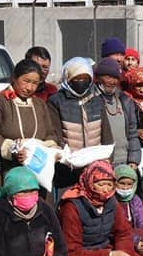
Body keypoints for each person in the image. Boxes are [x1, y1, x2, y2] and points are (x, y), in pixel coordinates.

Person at [58, 161, 133, 256]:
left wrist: (123, 253)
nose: (106, 190)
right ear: (90, 183)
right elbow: (71, 254)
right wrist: (109, 255)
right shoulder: (72, 207)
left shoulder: (111, 202)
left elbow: (123, 232)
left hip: (103, 250)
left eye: (109, 184)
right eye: (101, 184)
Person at [0, 59, 61, 186]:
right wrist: (12, 149)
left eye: (35, 83)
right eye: (26, 81)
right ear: (14, 78)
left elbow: (51, 133)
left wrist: (49, 150)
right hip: (7, 170)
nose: (29, 88)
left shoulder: (40, 104)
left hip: (38, 172)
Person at [47, 57, 110, 189]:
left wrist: (107, 158)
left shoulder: (96, 101)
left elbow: (106, 133)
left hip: (95, 166)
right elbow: (55, 133)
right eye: (77, 79)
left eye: (85, 78)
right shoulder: (56, 102)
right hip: (68, 168)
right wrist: (67, 158)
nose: (81, 82)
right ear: (68, 78)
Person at [94, 58, 141, 168]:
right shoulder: (91, 101)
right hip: (102, 162)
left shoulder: (125, 101)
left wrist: (133, 160)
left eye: (115, 78)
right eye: (108, 77)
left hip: (124, 162)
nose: (112, 81)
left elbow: (132, 134)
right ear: (98, 78)